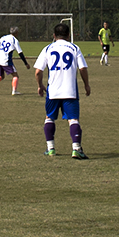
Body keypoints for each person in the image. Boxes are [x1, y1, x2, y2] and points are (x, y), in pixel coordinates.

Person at [34, 19, 92, 158]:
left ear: (54, 35)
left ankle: (51, 148)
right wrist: (86, 84)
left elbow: (38, 71)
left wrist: (40, 85)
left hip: (53, 91)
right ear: (68, 35)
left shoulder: (48, 48)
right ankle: (76, 148)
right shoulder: (74, 48)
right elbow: (82, 68)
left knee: (49, 118)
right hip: (70, 90)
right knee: (73, 119)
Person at [0, 28, 25, 95]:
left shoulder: (4, 37)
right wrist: (26, 63)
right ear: (16, 33)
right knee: (15, 75)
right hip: (6, 60)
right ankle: (14, 91)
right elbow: (20, 53)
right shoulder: (15, 40)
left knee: (1, 76)